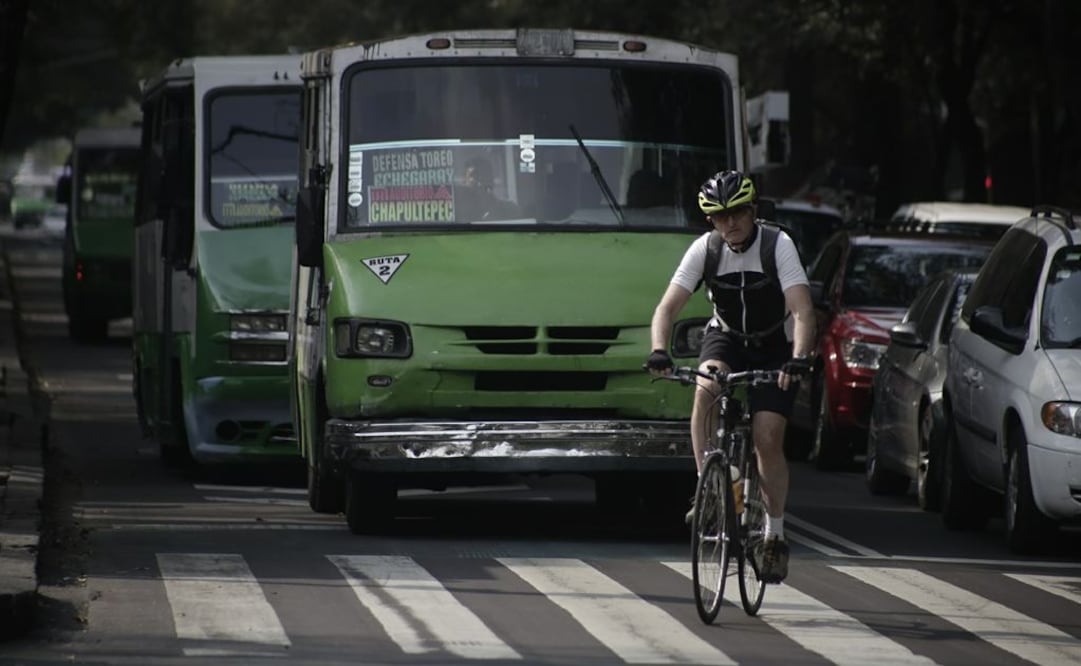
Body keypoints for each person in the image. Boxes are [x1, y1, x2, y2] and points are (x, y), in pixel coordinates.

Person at [644, 170, 815, 583]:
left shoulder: (778, 245)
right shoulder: (707, 249)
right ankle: (709, 487)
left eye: (737, 212)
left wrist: (798, 358)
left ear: (752, 210)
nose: (730, 223)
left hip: (776, 343)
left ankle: (773, 534)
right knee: (706, 385)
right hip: (727, 337)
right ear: (711, 221)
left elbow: (802, 311)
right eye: (720, 217)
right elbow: (667, 309)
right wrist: (659, 351)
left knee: (767, 436)